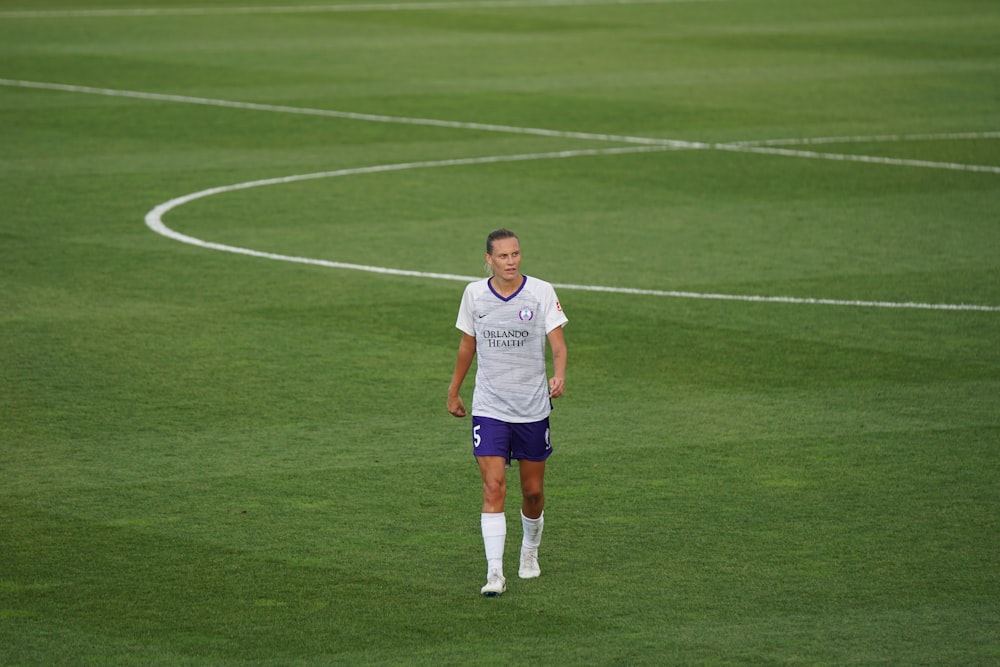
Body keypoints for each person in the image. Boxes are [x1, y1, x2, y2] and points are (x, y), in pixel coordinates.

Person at [447, 228, 568, 597]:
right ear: (489, 259)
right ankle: (495, 573)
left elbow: (559, 346)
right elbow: (468, 345)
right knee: (493, 486)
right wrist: (454, 390)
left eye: (515, 254)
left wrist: (559, 374)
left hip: (532, 407)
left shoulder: (541, 292)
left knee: (532, 492)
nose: (511, 261)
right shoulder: (473, 295)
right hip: (490, 407)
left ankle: (529, 552)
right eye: (503, 256)